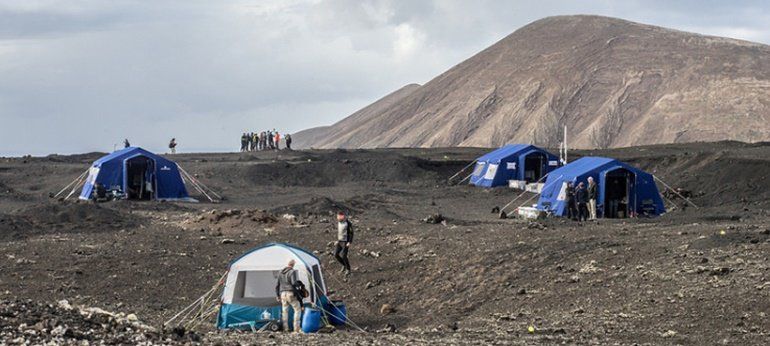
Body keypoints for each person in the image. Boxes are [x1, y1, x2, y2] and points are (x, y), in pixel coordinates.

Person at [275, 259, 302, 333]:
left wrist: (277, 295)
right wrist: (299, 285)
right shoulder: (292, 272)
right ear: (293, 265)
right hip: (290, 293)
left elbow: (277, 285)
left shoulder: (280, 272)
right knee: (297, 310)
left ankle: (285, 328)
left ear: (288, 264)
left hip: (283, 294)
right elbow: (294, 283)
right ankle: (296, 329)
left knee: (285, 312)